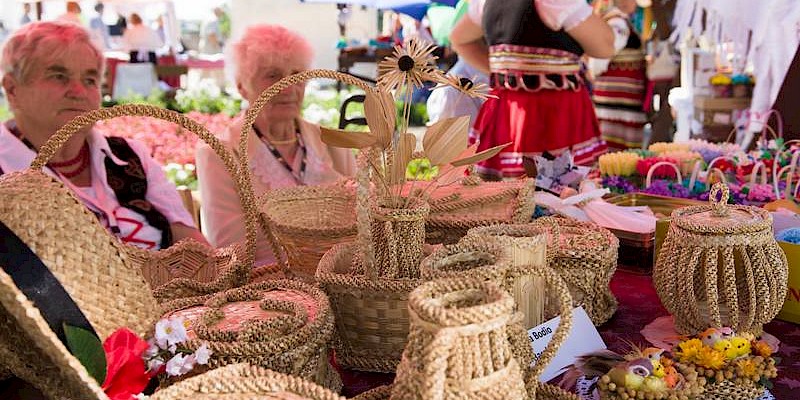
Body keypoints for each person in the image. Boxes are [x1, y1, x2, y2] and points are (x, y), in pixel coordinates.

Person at [0, 21, 206, 250]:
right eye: (58, 76)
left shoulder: (129, 156)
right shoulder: (5, 170)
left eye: (89, 80)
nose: (78, 92)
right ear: (12, 90)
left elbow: (195, 249)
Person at [196, 24, 356, 267]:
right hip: (264, 290)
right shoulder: (219, 155)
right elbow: (232, 249)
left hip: (343, 279)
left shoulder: (334, 143)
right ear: (242, 85)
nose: (289, 88)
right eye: (272, 75)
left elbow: (362, 222)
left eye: (297, 75)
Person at [450, 0, 615, 180]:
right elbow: (606, 46)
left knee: (505, 197)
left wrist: (509, 73)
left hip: (506, 111)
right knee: (560, 197)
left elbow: (460, 39)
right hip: (551, 115)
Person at [589, 0, 648, 150]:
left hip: (618, 98)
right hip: (618, 99)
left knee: (616, 148)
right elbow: (602, 54)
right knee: (619, 148)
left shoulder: (617, 20)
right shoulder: (617, 21)